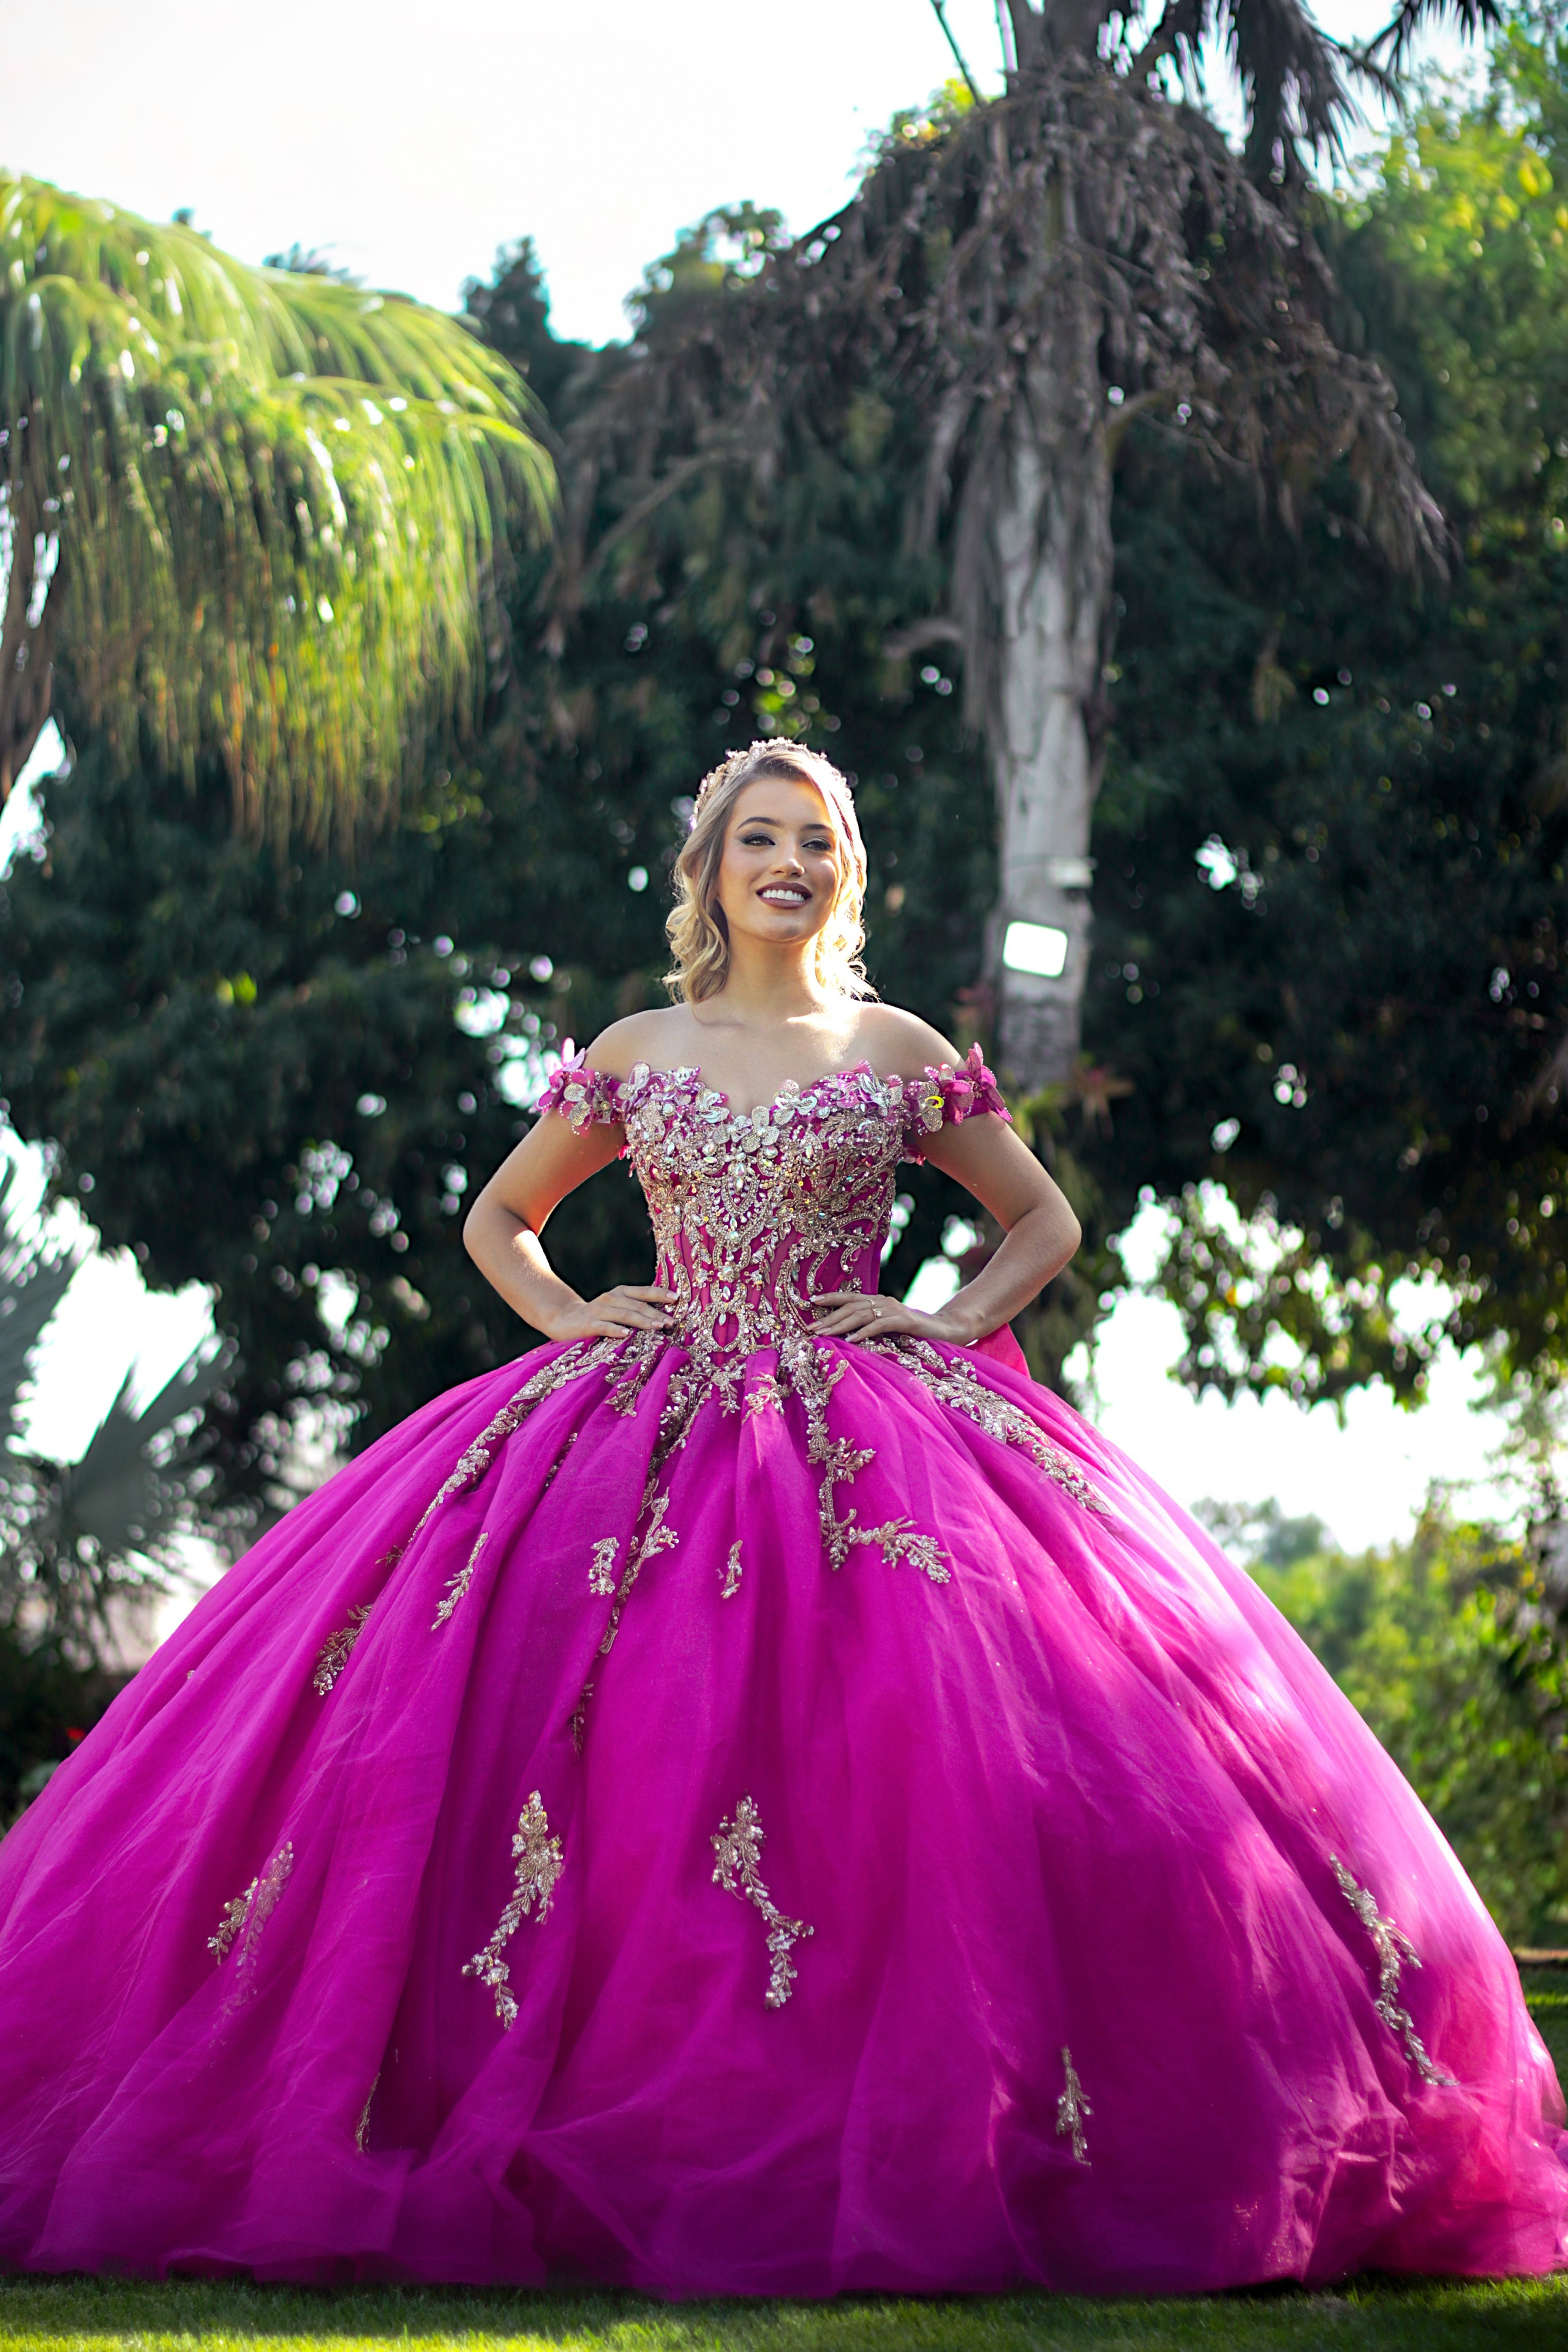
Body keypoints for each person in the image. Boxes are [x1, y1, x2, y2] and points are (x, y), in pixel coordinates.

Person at [0, 738, 1562, 2295]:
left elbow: (1041, 1219)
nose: (787, 863)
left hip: (868, 1436)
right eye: (758, 838)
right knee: (585, 1752)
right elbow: (498, 1217)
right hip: (635, 1422)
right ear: (710, 867)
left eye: (814, 840)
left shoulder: (891, 1046)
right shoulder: (635, 1043)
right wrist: (570, 1318)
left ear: (843, 867)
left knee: (909, 1763)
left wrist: (947, 1327)